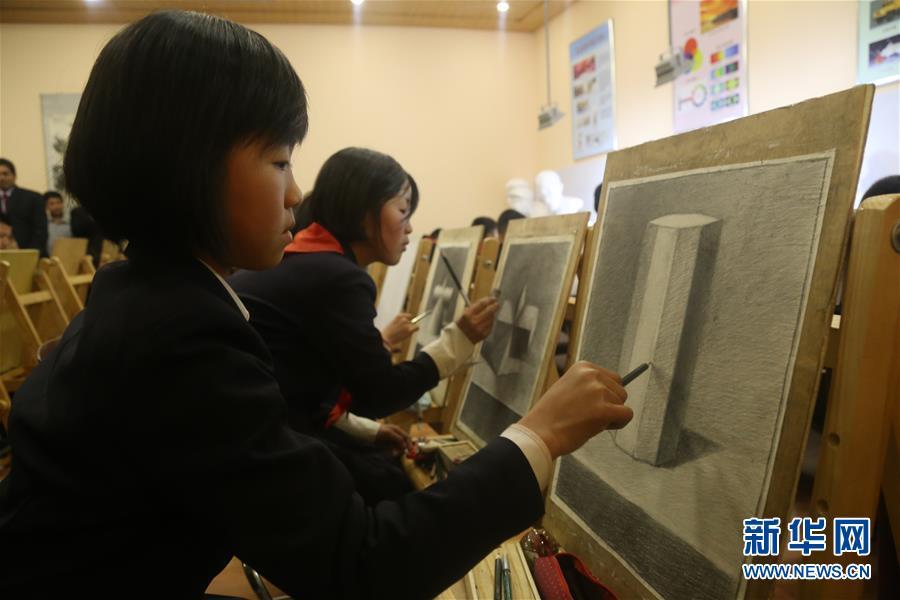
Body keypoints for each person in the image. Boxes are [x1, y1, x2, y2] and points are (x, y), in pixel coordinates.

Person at [0, 11, 633, 598]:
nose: (296, 192)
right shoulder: (180, 335)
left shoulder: (142, 295)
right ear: (187, 171)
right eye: (279, 161)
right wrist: (540, 434)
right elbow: (363, 565)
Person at [230, 149, 498, 503]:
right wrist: (457, 341)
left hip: (258, 439)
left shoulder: (309, 261)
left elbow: (304, 384)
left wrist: (365, 431)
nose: (411, 227)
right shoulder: (336, 276)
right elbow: (379, 394)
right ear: (364, 212)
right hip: (266, 455)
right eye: (403, 211)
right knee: (395, 489)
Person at [0, 158, 48, 256]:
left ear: (14, 176)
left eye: (5, 174)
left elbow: (41, 231)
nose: (1, 178)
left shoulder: (33, 198)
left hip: (28, 254)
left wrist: (30, 255)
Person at [44, 190, 71, 255]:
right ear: (46, 206)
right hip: (49, 260)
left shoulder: (72, 222)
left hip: (70, 259)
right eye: (52, 204)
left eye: (59, 202)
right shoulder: (43, 224)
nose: (56, 206)